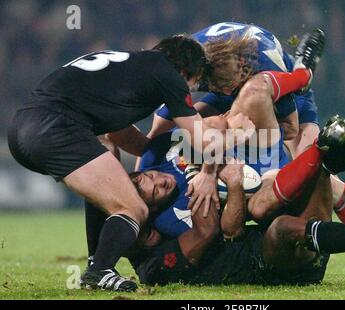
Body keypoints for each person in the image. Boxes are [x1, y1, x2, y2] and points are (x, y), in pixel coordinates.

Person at [148, 22, 345, 279]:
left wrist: (222, 155)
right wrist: (144, 171)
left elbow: (290, 128)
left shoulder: (261, 76)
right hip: (245, 111)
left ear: (241, 69)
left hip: (293, 94)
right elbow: (162, 126)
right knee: (269, 192)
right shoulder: (195, 65)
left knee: (318, 172)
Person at [8, 35, 254, 292]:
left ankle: (97, 261)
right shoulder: (167, 74)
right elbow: (205, 143)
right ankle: (99, 271)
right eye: (191, 86)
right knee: (134, 207)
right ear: (183, 73)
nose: (188, 93)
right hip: (56, 129)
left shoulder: (131, 66)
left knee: (107, 153)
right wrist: (239, 134)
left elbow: (118, 135)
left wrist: (161, 155)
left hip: (24, 130)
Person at [127, 113, 345, 286]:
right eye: (152, 191)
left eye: (147, 177)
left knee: (320, 168)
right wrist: (219, 177)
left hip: (304, 241)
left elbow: (210, 130)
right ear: (145, 218)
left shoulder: (163, 161)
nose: (159, 181)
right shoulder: (157, 261)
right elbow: (222, 231)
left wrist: (214, 157)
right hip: (274, 262)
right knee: (277, 221)